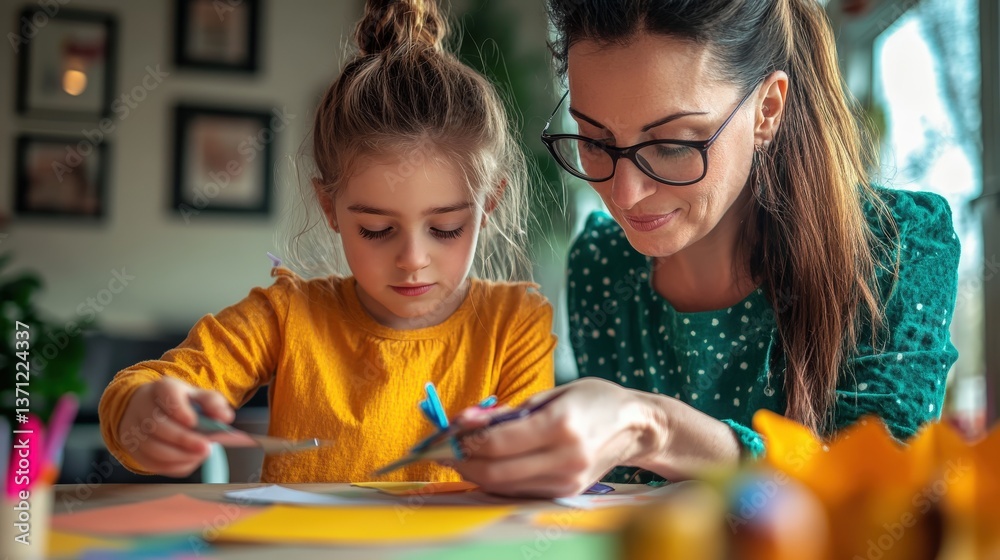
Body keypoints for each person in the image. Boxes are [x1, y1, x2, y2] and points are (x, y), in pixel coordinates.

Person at [450, 0, 960, 497]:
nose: (624, 195)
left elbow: (884, 496)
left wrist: (657, 429)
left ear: (767, 109)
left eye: (672, 144)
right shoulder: (602, 264)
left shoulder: (897, 246)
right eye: (594, 140)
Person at [98, 0, 555, 483]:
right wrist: (147, 417)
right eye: (376, 230)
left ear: (487, 206)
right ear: (329, 206)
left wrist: (526, 457)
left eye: (445, 229)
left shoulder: (516, 327)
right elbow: (138, 391)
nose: (413, 260)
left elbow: (535, 478)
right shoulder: (287, 316)